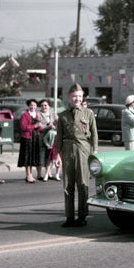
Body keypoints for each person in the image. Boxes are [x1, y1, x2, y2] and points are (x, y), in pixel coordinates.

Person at [56, 83, 98, 227]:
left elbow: (94, 134)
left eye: (80, 96)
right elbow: (59, 137)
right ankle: (69, 217)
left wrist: (95, 151)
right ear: (69, 97)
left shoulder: (88, 113)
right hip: (68, 151)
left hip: (83, 150)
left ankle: (82, 216)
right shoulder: (62, 116)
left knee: (83, 184)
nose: (77, 99)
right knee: (68, 185)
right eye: (74, 96)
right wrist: (57, 155)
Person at [17, 99, 45, 182]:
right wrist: (34, 126)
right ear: (28, 106)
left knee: (32, 157)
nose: (33, 107)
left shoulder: (37, 115)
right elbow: (23, 127)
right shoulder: (24, 115)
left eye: (34, 105)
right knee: (27, 158)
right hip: (27, 138)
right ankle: (28, 175)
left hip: (35, 138)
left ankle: (31, 175)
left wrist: (39, 126)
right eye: (31, 105)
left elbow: (39, 128)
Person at [38, 100, 57, 181]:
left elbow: (58, 124)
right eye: (42, 105)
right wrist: (46, 127)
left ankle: (48, 172)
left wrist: (53, 126)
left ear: (49, 106)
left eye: (45, 105)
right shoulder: (38, 115)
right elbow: (37, 126)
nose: (44, 107)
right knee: (40, 155)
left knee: (49, 156)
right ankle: (39, 174)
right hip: (41, 137)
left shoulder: (53, 114)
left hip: (51, 137)